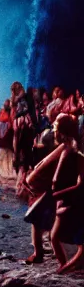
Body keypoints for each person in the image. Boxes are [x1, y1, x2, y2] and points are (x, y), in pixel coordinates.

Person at [48, 114, 84, 273]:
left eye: (55, 129)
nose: (53, 132)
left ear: (61, 132)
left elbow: (80, 183)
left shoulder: (75, 152)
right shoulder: (66, 148)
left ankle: (63, 269)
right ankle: (63, 267)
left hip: (68, 200)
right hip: (62, 199)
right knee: (54, 237)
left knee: (76, 240)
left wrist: (59, 194)